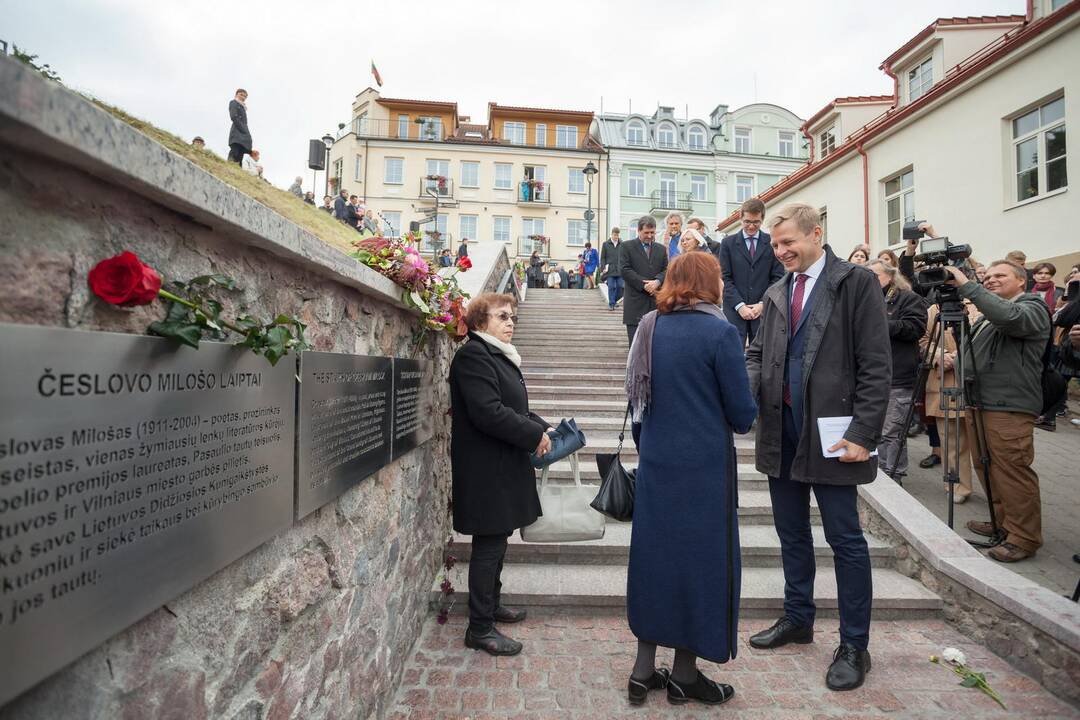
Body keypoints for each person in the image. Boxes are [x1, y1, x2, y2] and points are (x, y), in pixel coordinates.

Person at [745, 203, 889, 691]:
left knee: (846, 541)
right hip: (780, 433)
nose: (781, 252)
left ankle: (854, 644)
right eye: (775, 245)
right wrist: (747, 394)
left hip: (836, 437)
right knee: (791, 534)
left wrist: (864, 435)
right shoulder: (777, 291)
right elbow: (758, 352)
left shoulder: (855, 283)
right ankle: (798, 617)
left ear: (816, 234)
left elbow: (876, 365)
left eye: (788, 243)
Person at [625, 252, 756, 707]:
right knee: (699, 568)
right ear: (709, 283)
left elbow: (638, 411)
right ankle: (684, 675)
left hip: (659, 465)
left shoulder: (649, 328)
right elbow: (742, 416)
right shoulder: (720, 332)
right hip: (704, 473)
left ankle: (642, 672)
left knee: (654, 561)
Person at [449, 293, 551, 656]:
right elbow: (488, 412)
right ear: (480, 322)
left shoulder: (496, 355)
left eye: (513, 318)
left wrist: (542, 427)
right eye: (502, 316)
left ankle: (490, 607)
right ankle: (479, 629)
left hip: (501, 465)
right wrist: (531, 434)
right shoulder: (474, 355)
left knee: (498, 541)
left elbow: (511, 407)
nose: (510, 322)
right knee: (488, 546)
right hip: (485, 469)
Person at [940, 259, 1050, 562]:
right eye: (987, 277)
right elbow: (971, 352)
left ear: (1021, 281)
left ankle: (1024, 537)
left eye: (1000, 275)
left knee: (1012, 470)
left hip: (1009, 406)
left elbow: (1012, 319)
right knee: (987, 467)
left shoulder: (1031, 307)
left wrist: (969, 285)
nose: (990, 280)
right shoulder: (990, 315)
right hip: (981, 401)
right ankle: (1003, 522)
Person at [867, 260, 928, 482]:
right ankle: (876, 473)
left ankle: (893, 476)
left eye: (875, 275)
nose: (870, 280)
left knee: (891, 431)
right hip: (869, 376)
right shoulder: (865, 300)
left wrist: (879, 323)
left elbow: (915, 328)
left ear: (891, 277)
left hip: (898, 377)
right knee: (873, 428)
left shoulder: (907, 298)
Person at [920, 299, 981, 504]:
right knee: (951, 439)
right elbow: (923, 339)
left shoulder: (978, 305)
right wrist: (939, 355)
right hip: (944, 380)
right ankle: (957, 486)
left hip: (976, 381)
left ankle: (997, 493)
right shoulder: (934, 309)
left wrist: (961, 355)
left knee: (984, 444)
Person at [720, 198, 784, 346]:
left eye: (756, 222)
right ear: (740, 218)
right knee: (733, 355)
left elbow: (778, 277)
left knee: (762, 357)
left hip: (763, 311)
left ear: (762, 219)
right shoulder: (728, 243)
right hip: (735, 311)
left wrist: (762, 304)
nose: (751, 226)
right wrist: (739, 305)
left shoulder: (772, 242)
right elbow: (725, 278)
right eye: (747, 221)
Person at [619, 216, 668, 344]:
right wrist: (644, 285)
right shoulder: (626, 247)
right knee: (636, 344)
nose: (650, 236)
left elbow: (666, 270)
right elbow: (624, 270)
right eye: (646, 232)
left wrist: (657, 281)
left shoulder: (661, 249)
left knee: (655, 344)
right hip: (635, 303)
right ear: (639, 231)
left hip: (655, 304)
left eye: (652, 232)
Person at [227, 89, 252, 166]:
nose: (243, 97)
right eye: (241, 94)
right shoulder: (233, 102)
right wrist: (241, 127)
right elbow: (234, 116)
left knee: (241, 150)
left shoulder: (243, 107)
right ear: (236, 94)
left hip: (244, 130)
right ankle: (230, 165)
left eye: (245, 96)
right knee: (235, 149)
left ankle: (238, 168)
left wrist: (245, 130)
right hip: (237, 129)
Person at [601, 228, 624, 310]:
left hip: (620, 270)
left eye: (617, 235)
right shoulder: (605, 244)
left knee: (620, 286)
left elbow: (624, 257)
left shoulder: (622, 244)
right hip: (609, 269)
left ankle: (615, 301)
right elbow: (603, 257)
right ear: (611, 234)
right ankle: (611, 304)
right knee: (611, 286)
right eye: (614, 235)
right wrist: (603, 267)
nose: (616, 237)